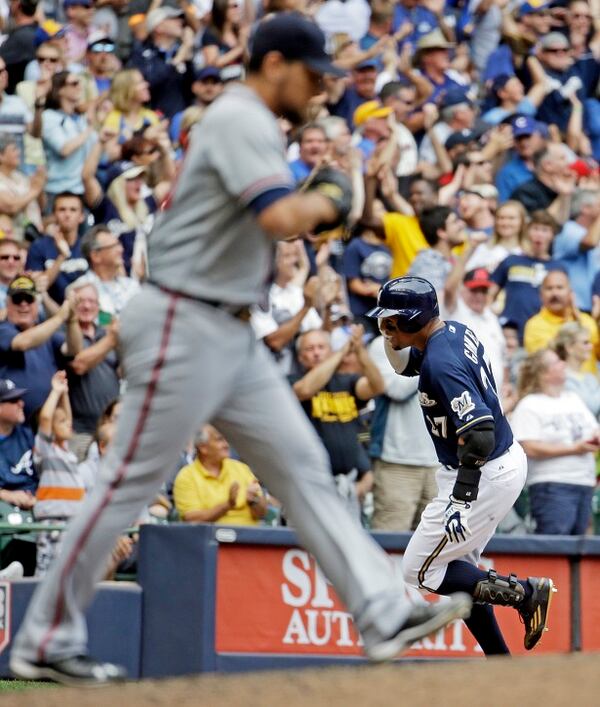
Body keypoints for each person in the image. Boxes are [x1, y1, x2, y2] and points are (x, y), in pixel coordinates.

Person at [10, 13, 470, 686]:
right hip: (181, 317)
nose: (320, 90)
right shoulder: (239, 116)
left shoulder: (257, 123)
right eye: (312, 75)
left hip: (227, 326)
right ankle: (45, 637)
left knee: (302, 465)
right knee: (127, 481)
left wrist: (325, 191)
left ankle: (379, 609)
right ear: (275, 61)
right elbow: (282, 218)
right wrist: (334, 190)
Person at [366, 276, 554, 655]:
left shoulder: (441, 363)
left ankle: (526, 593)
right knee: (459, 574)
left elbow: (480, 434)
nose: (386, 331)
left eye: (392, 322)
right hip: (496, 464)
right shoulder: (450, 331)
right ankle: (499, 660)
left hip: (482, 470)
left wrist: (462, 498)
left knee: (419, 570)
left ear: (415, 318)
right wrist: (393, 338)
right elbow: (411, 365)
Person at [291, 326, 384, 518]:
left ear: (329, 350)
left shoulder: (347, 381)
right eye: (310, 349)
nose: (316, 353)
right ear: (300, 357)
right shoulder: (292, 380)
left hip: (346, 483)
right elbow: (305, 390)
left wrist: (359, 351)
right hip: (311, 482)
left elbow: (377, 386)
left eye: (321, 347)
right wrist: (342, 352)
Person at [511, 348, 600, 535]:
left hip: (584, 482)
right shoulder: (530, 404)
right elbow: (528, 447)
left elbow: (593, 428)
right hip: (551, 485)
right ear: (544, 373)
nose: (564, 364)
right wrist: (574, 448)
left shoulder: (573, 399)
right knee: (554, 545)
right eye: (557, 362)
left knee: (580, 548)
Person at [368, 334, 439, 531]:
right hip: (397, 461)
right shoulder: (382, 343)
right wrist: (434, 362)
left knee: (434, 542)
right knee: (391, 539)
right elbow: (396, 389)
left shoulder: (441, 344)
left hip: (439, 463)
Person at [0, 275, 81, 421]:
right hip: (12, 427)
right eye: (18, 300)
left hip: (47, 422)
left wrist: (72, 319)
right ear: (7, 304)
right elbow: (22, 343)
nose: (24, 304)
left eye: (29, 299)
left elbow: (73, 349)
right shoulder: (3, 329)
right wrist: (60, 316)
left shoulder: (46, 333)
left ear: (37, 305)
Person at [32, 371, 86, 577]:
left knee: (67, 569)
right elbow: (46, 417)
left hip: (72, 518)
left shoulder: (66, 451)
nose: (69, 424)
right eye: (62, 422)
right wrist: (55, 391)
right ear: (51, 429)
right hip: (53, 518)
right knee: (47, 567)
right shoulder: (46, 449)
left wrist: (64, 394)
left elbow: (67, 416)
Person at [65, 281, 120, 461]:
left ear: (98, 306)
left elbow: (123, 372)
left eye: (92, 301)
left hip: (112, 430)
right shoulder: (63, 332)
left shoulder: (105, 334)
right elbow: (79, 364)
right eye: (81, 300)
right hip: (79, 432)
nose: (87, 306)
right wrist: (112, 339)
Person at [173, 424, 268, 525]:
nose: (226, 445)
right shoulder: (186, 476)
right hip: (211, 538)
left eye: (226, 440)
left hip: (249, 537)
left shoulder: (241, 469)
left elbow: (262, 513)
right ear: (203, 447)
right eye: (220, 440)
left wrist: (254, 501)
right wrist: (228, 505)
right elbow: (191, 519)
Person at [523, 269, 599, 374]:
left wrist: (580, 316)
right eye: (549, 288)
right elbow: (548, 358)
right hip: (555, 387)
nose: (554, 293)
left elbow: (596, 348)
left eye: (560, 287)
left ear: (571, 293)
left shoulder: (586, 320)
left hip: (590, 387)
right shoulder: (534, 325)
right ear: (541, 295)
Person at [25, 192, 88, 303]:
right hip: (48, 310)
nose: (67, 214)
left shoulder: (88, 246)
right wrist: (62, 256)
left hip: (85, 307)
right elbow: (37, 288)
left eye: (73, 210)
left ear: (82, 216)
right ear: (54, 215)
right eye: (62, 210)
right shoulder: (38, 247)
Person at [0, 378, 37, 508]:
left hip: (32, 506)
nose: (21, 404)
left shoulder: (27, 435)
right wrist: (5, 495)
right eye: (14, 400)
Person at [553, 322, 600, 418]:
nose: (591, 347)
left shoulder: (589, 377)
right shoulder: (561, 377)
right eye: (585, 343)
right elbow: (587, 408)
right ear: (569, 347)